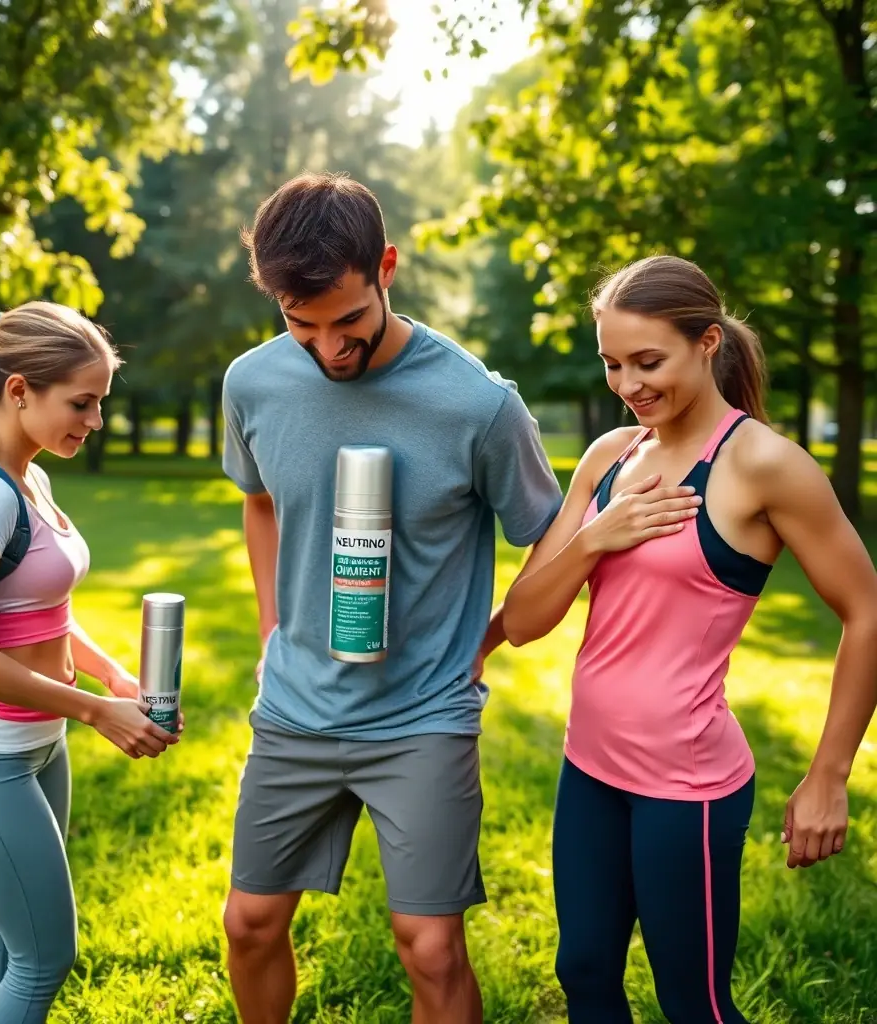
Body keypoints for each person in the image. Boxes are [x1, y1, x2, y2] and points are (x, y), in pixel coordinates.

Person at [219, 171, 563, 1024]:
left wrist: (482, 642)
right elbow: (257, 500)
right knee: (250, 923)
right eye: (301, 326)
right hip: (295, 708)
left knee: (431, 946)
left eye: (348, 322)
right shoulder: (251, 384)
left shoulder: (480, 407)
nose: (330, 349)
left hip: (422, 716)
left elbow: (549, 541)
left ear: (387, 269)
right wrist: (271, 625)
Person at [502, 255, 877, 1024]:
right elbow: (524, 621)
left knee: (693, 1003)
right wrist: (595, 538)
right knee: (583, 972)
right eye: (611, 363)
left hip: (689, 789)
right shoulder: (611, 457)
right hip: (591, 766)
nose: (629, 385)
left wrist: (828, 777)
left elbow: (867, 610)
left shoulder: (765, 466)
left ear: (708, 343)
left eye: (648, 361)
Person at [0, 297, 180, 1024]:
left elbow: (40, 612)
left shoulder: (30, 477)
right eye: (83, 403)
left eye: (99, 405)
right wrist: (98, 712)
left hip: (35, 747)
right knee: (44, 959)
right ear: (20, 391)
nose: (94, 423)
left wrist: (110, 674)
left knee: (18, 933)